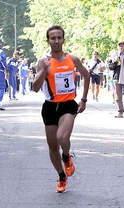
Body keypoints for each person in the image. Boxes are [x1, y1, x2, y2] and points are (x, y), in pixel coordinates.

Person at [32, 25, 90, 193]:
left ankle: (67, 156)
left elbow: (86, 76)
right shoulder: (43, 61)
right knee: (52, 147)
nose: (56, 41)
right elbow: (36, 88)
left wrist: (84, 100)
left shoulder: (73, 59)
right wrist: (43, 70)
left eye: (59, 38)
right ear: (48, 40)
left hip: (68, 105)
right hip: (50, 107)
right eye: (53, 38)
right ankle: (61, 176)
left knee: (62, 137)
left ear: (63, 40)